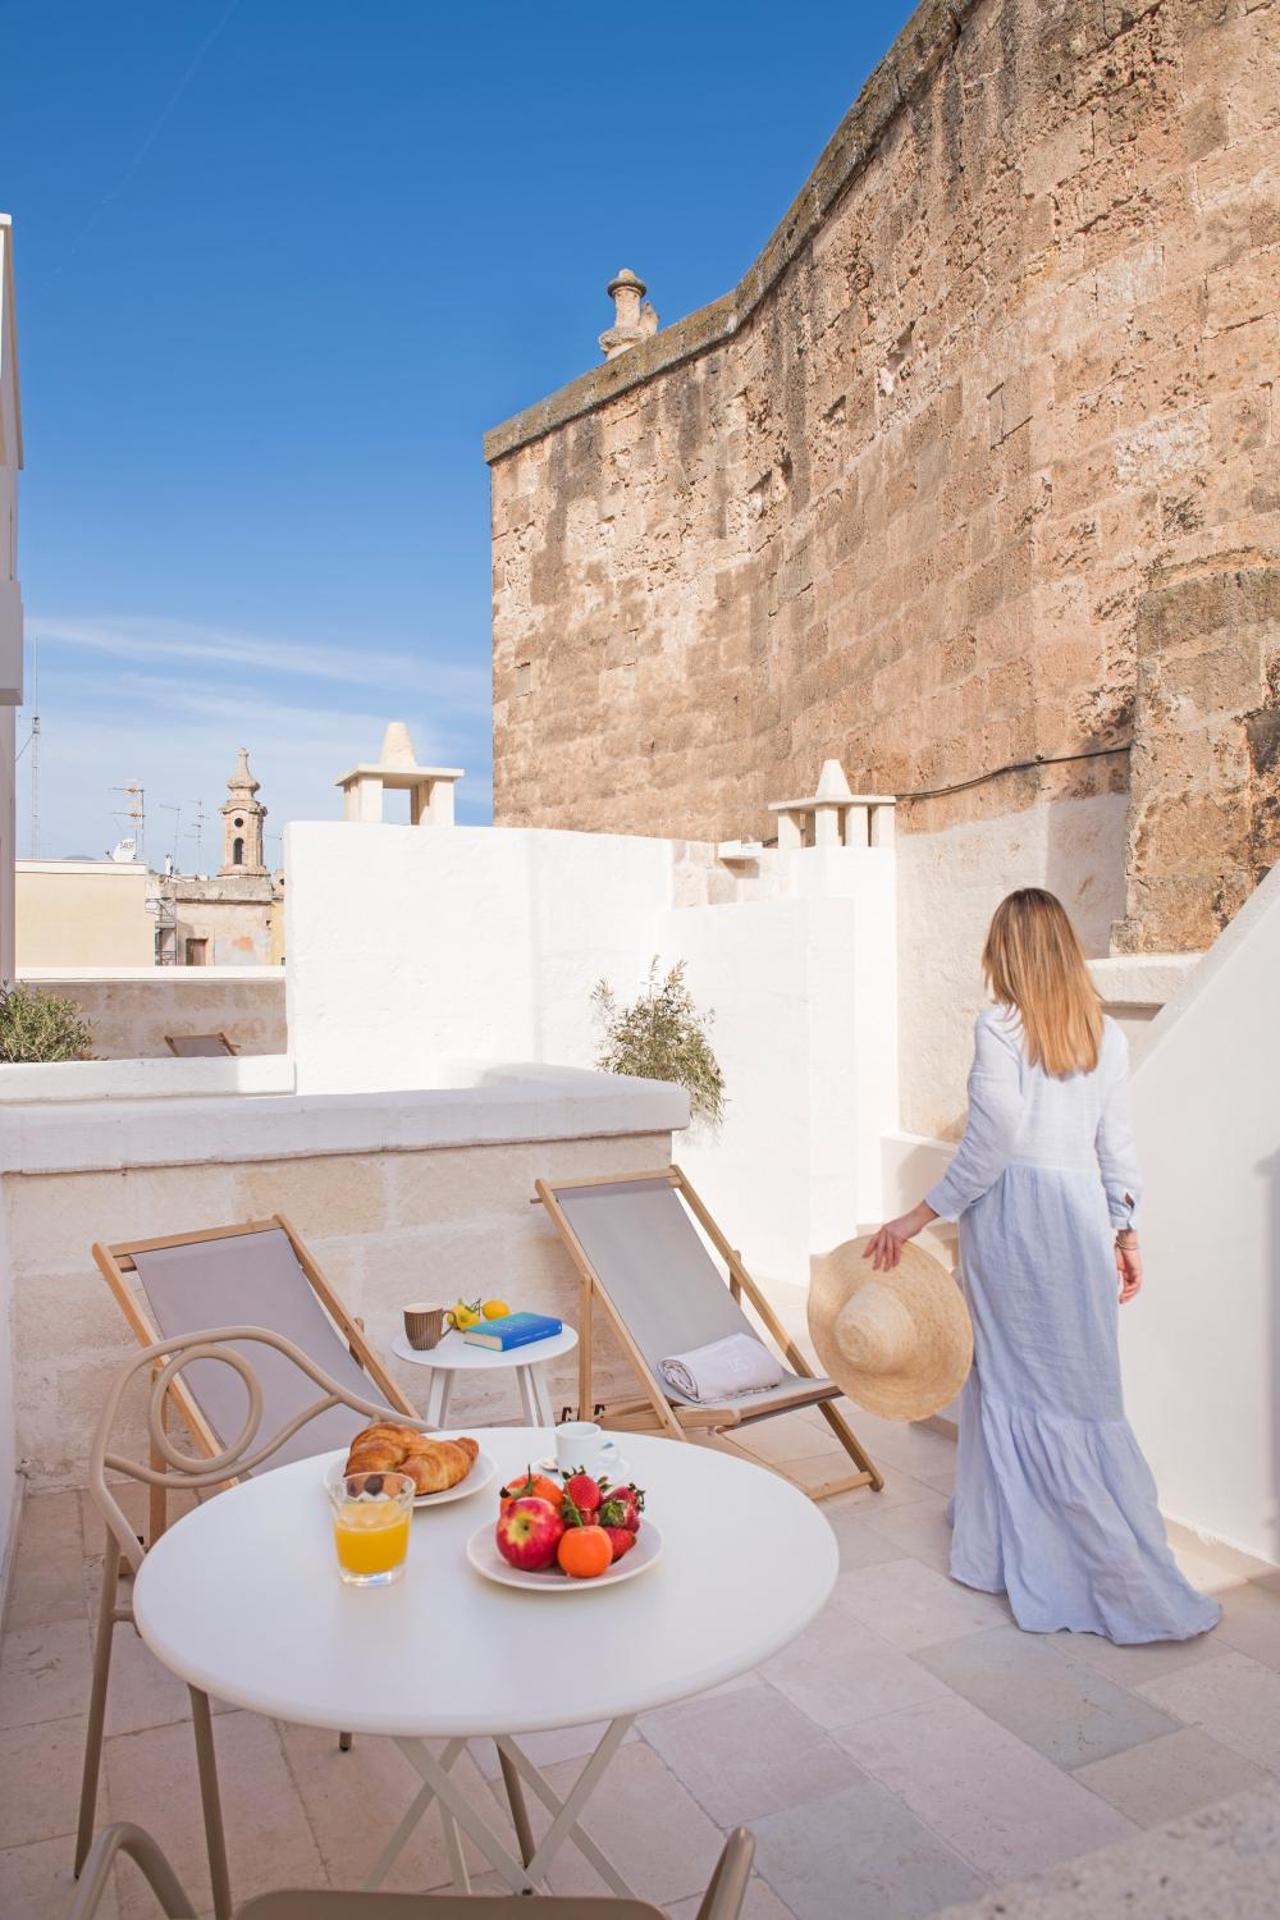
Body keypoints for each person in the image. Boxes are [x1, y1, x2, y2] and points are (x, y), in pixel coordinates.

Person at [866, 887, 1220, 1644]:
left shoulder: (998, 1028)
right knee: (1079, 1388)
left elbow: (992, 1141)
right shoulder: (1103, 1034)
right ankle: (1056, 1549)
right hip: (1079, 1222)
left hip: (1019, 1225)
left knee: (1011, 1379)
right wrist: (1124, 1233)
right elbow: (1116, 1146)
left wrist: (918, 1215)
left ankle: (1036, 1554)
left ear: (1009, 952)